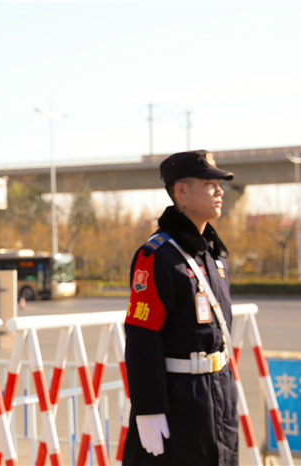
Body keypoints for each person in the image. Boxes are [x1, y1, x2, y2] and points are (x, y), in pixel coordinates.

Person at [122, 150, 239, 465]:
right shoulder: (159, 256)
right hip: (181, 398)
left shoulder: (214, 256)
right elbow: (142, 336)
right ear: (181, 191)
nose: (219, 191)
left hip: (219, 392)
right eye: (209, 183)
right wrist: (148, 408)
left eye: (220, 183)